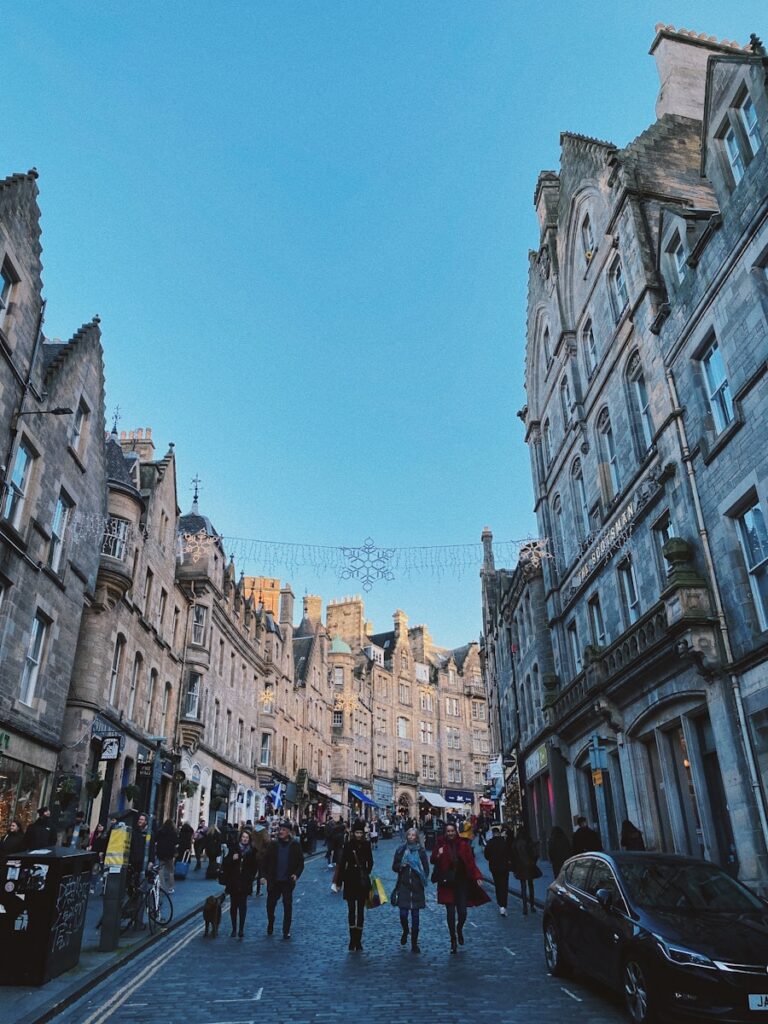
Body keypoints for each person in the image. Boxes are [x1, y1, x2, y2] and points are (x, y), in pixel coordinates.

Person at [430, 820, 489, 953]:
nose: (450, 833)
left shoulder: (463, 844)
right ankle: (453, 940)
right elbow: (433, 859)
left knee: (462, 912)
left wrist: (477, 876)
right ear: (445, 833)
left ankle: (459, 929)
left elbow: (471, 862)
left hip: (461, 882)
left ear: (455, 832)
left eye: (452, 831)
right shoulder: (440, 844)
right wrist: (438, 854)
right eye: (448, 831)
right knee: (450, 913)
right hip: (446, 883)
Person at [332, 819, 374, 952]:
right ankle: (352, 940)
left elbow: (370, 862)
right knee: (351, 910)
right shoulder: (348, 845)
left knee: (360, 910)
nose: (359, 835)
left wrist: (365, 873)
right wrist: (339, 882)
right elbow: (342, 863)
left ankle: (358, 940)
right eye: (357, 833)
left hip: (361, 882)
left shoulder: (366, 845)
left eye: (360, 833)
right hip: (350, 879)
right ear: (353, 833)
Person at [263, 820, 304, 939]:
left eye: (284, 830)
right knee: (270, 905)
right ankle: (271, 922)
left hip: (287, 881)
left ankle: (286, 930)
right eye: (280, 829)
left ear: (289, 832)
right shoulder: (273, 844)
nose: (281, 832)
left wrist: (296, 874)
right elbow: (265, 861)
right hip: (274, 881)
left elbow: (301, 863)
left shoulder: (295, 845)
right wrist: (264, 876)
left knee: (287, 905)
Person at [392, 826, 429, 953]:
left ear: (416, 837)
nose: (411, 837)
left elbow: (426, 868)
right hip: (404, 886)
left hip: (417, 887)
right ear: (406, 836)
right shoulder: (401, 850)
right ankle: (405, 930)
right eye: (409, 835)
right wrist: (401, 865)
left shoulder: (421, 851)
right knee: (403, 914)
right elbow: (394, 866)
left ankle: (414, 943)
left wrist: (422, 878)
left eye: (413, 835)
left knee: (415, 916)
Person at [222, 828, 257, 938]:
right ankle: (234, 929)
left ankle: (241, 929)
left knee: (242, 906)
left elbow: (255, 867)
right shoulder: (234, 849)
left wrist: (250, 877)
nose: (245, 839)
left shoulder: (252, 851)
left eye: (247, 838)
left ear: (249, 839)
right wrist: (232, 859)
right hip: (234, 881)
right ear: (240, 838)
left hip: (245, 882)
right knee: (233, 906)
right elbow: (225, 863)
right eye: (243, 837)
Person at [510, 827, 541, 916]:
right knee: (531, 886)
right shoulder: (528, 840)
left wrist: (514, 868)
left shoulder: (516, 842)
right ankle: (532, 905)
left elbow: (513, 856)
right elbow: (535, 853)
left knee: (523, 887)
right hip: (529, 866)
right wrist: (533, 862)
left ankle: (524, 907)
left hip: (520, 867)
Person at [483, 824, 512, 916]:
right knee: (504, 885)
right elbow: (509, 853)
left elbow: (486, 855)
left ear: (493, 833)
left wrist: (492, 859)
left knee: (498, 885)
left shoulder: (490, 843)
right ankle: (504, 904)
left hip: (494, 867)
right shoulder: (504, 842)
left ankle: (500, 904)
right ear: (499, 833)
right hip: (504, 867)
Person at [154, 819, 178, 894]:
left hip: (161, 853)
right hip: (169, 854)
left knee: (161, 870)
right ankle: (170, 887)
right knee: (171, 871)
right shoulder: (173, 832)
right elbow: (176, 842)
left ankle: (162, 886)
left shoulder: (160, 831)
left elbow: (155, 840)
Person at [249, 816, 271, 895]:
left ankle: (249, 890)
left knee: (252, 872)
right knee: (260, 873)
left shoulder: (254, 830)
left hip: (253, 853)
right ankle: (258, 891)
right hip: (261, 854)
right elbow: (267, 841)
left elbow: (251, 840)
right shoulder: (264, 830)